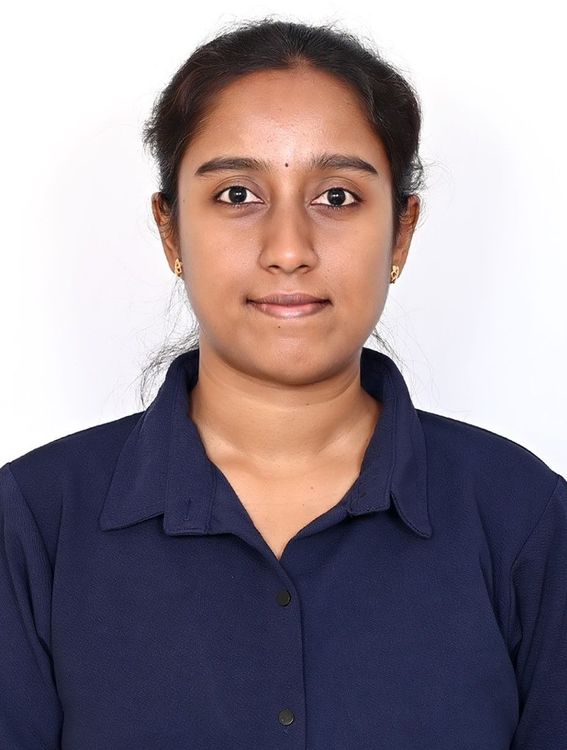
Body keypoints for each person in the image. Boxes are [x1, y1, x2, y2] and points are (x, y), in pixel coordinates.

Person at [1, 18, 565, 750]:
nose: (290, 249)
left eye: (337, 197)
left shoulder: (524, 518)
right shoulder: (33, 524)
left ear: (401, 232)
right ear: (171, 231)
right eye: (238, 194)